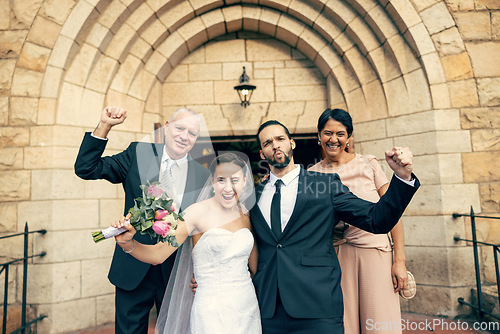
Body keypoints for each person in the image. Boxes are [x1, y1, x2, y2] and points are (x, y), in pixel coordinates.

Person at [250, 120, 419, 334]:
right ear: (262, 154)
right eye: (267, 142)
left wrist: (402, 178)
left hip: (318, 307)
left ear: (292, 143)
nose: (275, 145)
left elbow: (377, 219)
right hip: (269, 309)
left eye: (280, 139)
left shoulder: (326, 185)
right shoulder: (252, 196)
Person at [74, 106, 210, 334]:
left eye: (192, 133)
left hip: (177, 271)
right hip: (132, 265)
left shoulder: (202, 175)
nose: (184, 136)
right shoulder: (138, 153)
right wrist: (105, 125)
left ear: (196, 139)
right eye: (179, 128)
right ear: (167, 127)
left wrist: (200, 271)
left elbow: (203, 229)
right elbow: (86, 168)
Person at [112, 152, 262, 334]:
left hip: (246, 304)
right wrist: (128, 244)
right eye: (221, 180)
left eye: (235, 180)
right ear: (213, 181)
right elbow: (158, 254)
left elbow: (255, 267)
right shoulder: (196, 213)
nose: (228, 188)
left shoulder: (246, 215)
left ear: (245, 181)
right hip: (211, 308)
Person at [309, 108, 407, 334]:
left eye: (340, 134)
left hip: (376, 255)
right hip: (336, 260)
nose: (333, 139)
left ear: (349, 138)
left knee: (380, 324)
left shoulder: (368, 164)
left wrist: (399, 261)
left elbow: (393, 214)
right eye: (327, 133)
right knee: (345, 325)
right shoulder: (311, 175)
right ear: (319, 136)